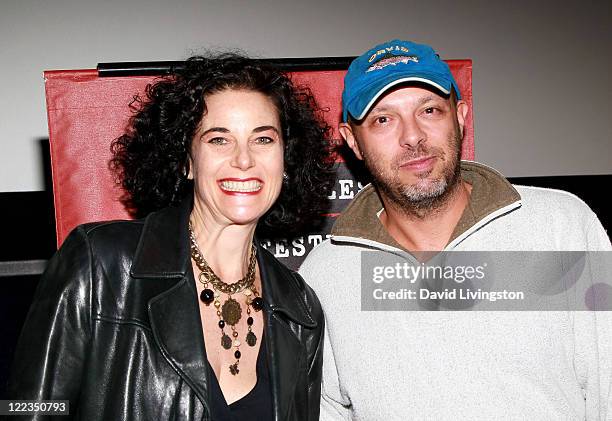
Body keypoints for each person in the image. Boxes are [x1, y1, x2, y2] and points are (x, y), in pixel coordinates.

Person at [7, 53, 332, 420]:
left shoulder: (300, 309)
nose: (244, 160)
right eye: (218, 140)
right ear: (186, 161)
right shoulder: (102, 264)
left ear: (286, 161)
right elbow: (26, 408)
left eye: (263, 139)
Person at [299, 39, 612, 420]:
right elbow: (328, 409)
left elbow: (606, 380)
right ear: (353, 142)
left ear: (460, 117)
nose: (412, 136)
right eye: (383, 119)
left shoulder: (560, 225)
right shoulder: (327, 272)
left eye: (429, 110)